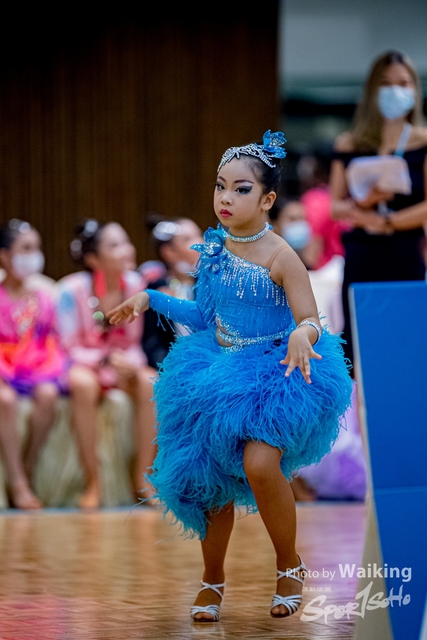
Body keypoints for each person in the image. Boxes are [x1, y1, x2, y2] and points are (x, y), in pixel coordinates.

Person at [108, 130, 352, 621]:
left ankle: (289, 564)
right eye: (221, 186)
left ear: (267, 200)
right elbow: (203, 316)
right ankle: (212, 578)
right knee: (209, 480)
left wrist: (303, 333)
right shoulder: (214, 249)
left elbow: (310, 318)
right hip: (216, 374)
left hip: (273, 374)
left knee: (260, 465)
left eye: (241, 189)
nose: (225, 197)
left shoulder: (282, 256)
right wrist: (150, 298)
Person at [330, 50, 427, 369]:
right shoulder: (349, 143)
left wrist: (388, 221)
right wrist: (363, 204)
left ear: (414, 89)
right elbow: (335, 206)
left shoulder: (422, 141)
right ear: (372, 89)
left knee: (405, 340)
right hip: (362, 253)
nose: (395, 91)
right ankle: (357, 401)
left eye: (403, 83)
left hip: (406, 252)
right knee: (360, 341)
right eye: (386, 83)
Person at [56, 220, 157, 509]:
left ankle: (143, 480)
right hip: (86, 363)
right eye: (115, 245)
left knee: (150, 380)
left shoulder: (136, 285)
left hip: (120, 363)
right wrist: (102, 360)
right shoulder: (71, 290)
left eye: (126, 242)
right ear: (93, 259)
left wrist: (129, 363)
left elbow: (134, 341)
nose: (127, 250)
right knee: (82, 383)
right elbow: (69, 346)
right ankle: (93, 483)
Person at [0, 219, 66, 509]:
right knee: (4, 400)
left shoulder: (43, 296)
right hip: (3, 367)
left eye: (36, 248)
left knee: (49, 394)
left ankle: (29, 466)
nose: (34, 255)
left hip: (33, 366)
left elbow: (49, 340)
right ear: (5, 256)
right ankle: (16, 481)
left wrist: (42, 368)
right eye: (26, 248)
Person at [139, 214, 203, 369]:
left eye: (199, 235)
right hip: (172, 367)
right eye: (188, 239)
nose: (201, 243)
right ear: (169, 252)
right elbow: (152, 342)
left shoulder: (210, 283)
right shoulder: (156, 288)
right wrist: (171, 368)